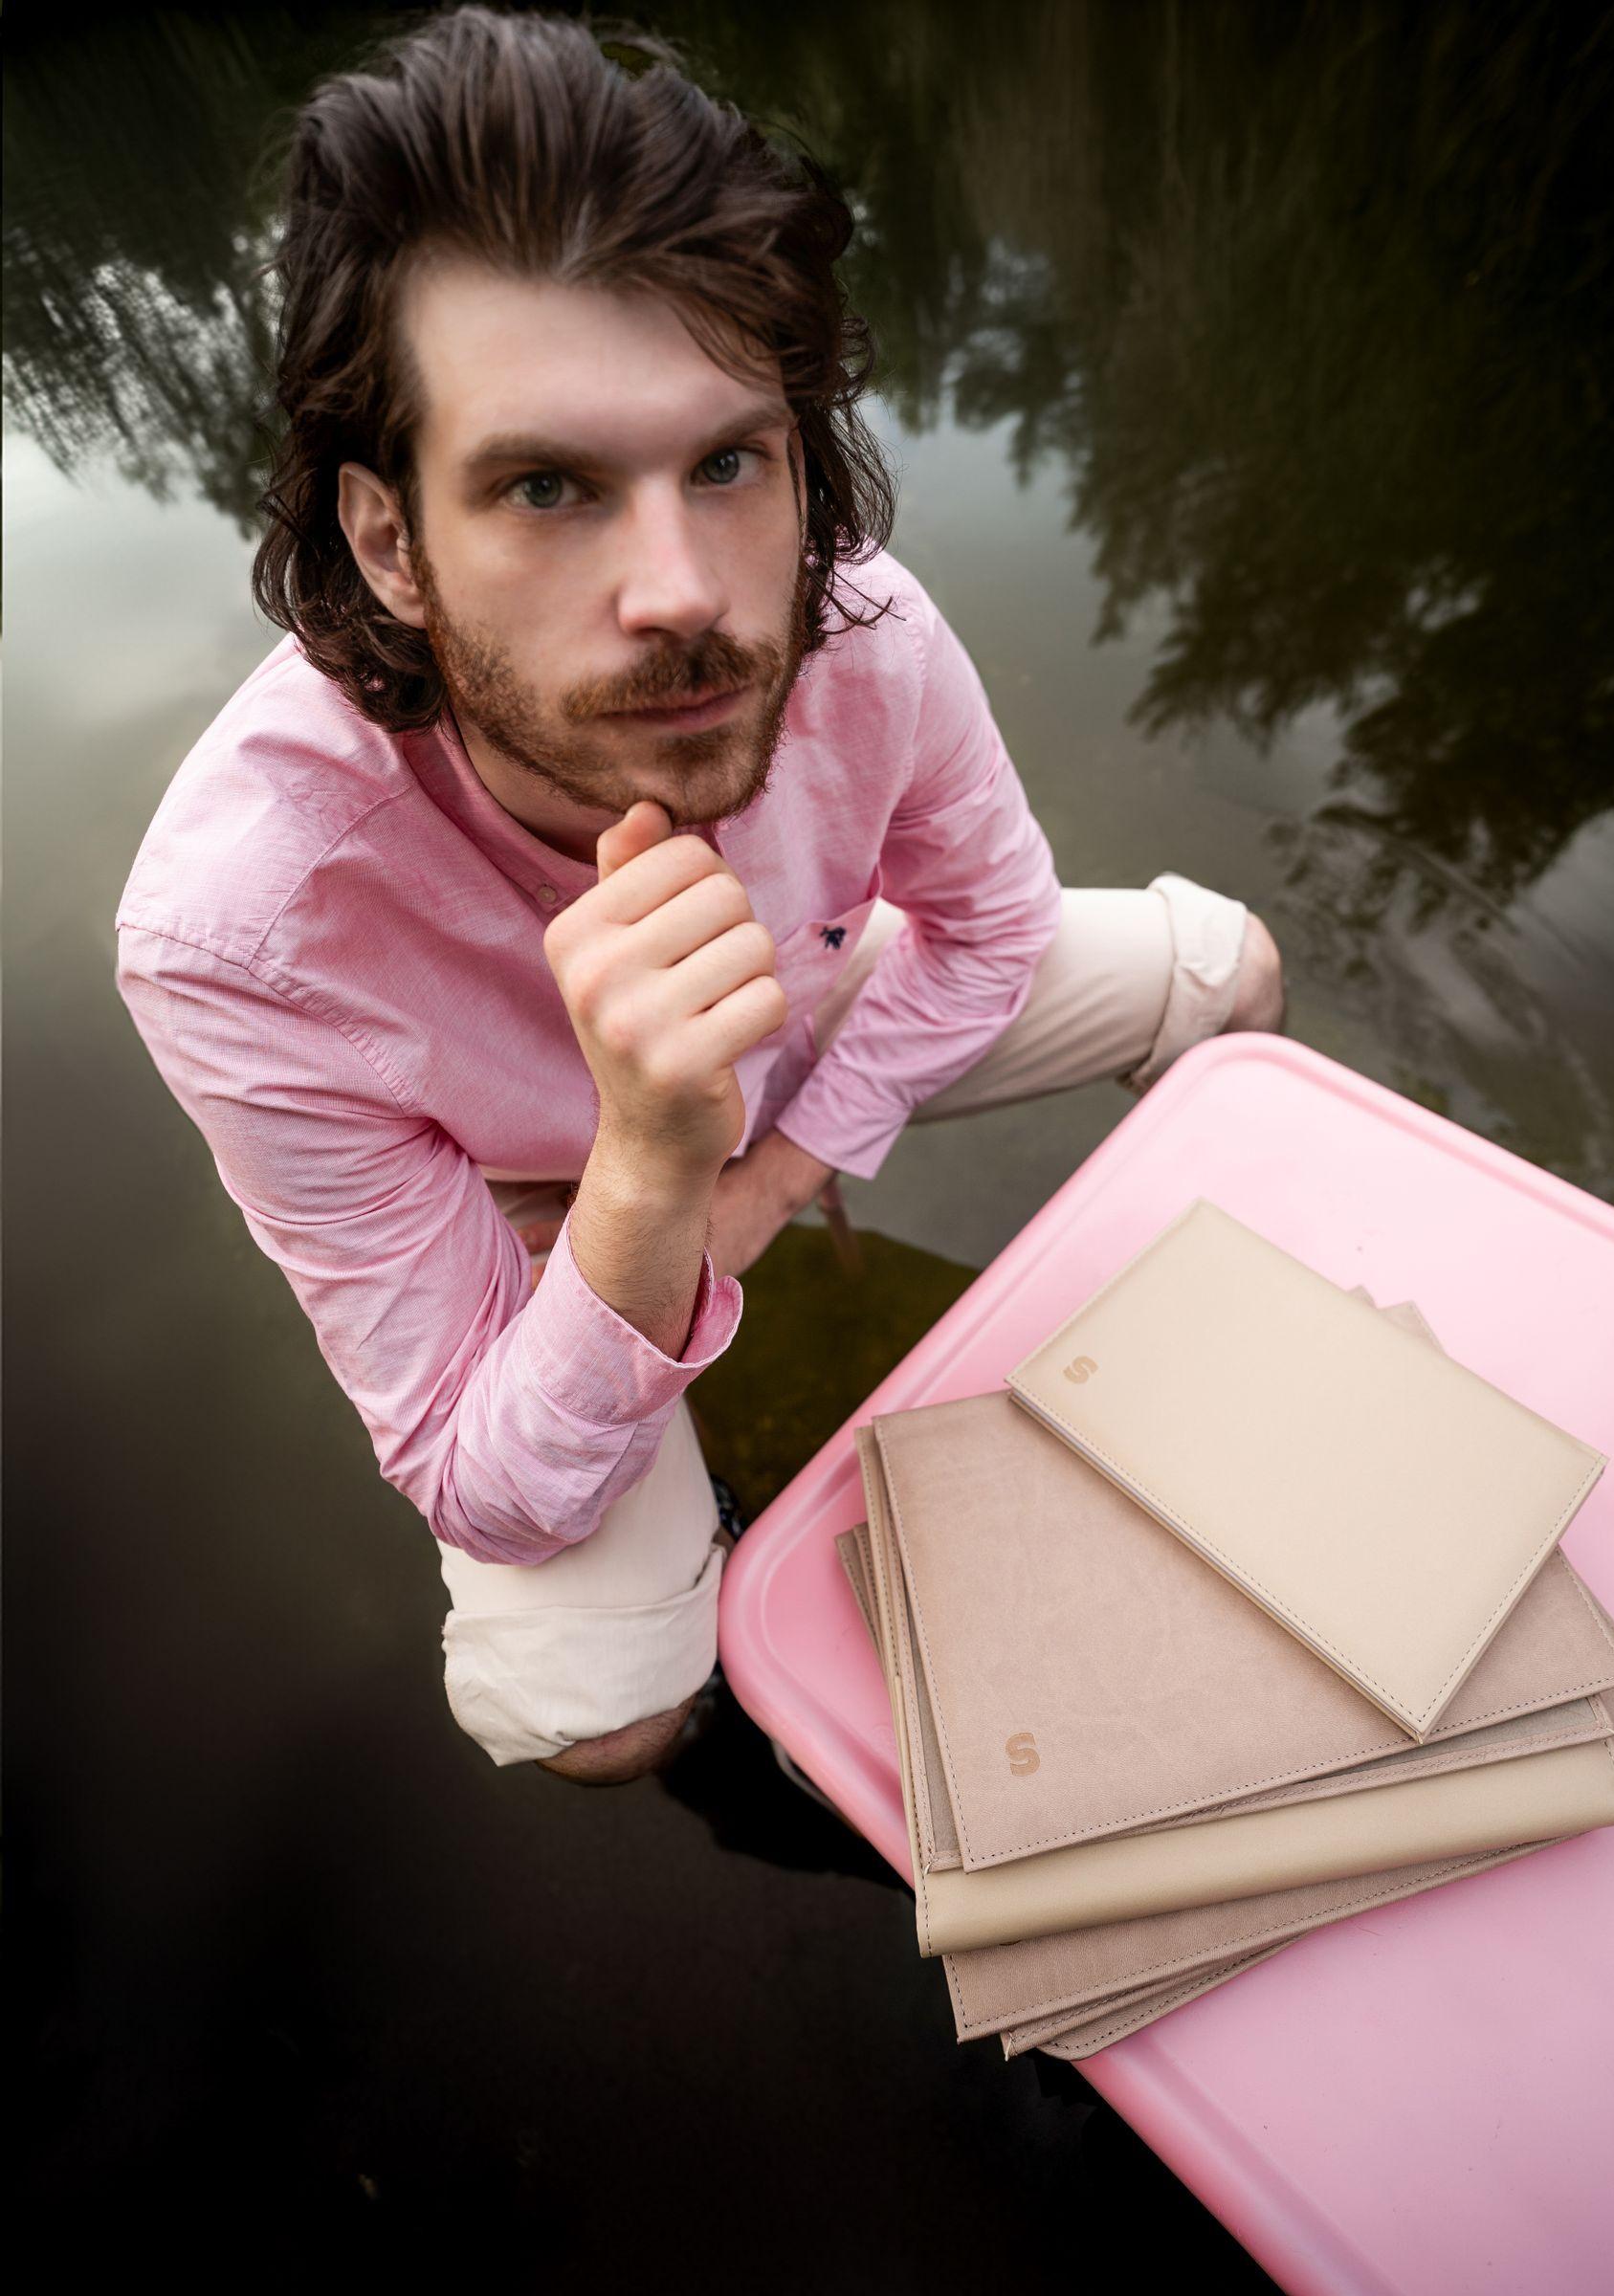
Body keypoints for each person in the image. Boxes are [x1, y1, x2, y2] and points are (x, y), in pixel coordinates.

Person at [114, 7, 1285, 1788]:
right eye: (545, 486)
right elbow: (472, 1474)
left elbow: (987, 926)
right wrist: (655, 1177)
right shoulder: (242, 928)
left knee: (1229, 970)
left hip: (811, 1020)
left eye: (729, 461)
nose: (688, 596)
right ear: (386, 541)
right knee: (593, 1718)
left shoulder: (861, 630)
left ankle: (1183, 1341)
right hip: (554, 1198)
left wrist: (777, 1176)